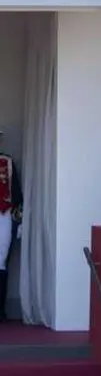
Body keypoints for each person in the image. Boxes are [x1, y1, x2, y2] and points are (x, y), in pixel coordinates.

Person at [0, 127, 20, 319]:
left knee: (1, 259)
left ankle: (0, 309)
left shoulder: (7, 162)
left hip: (3, 214)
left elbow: (16, 193)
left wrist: (18, 216)